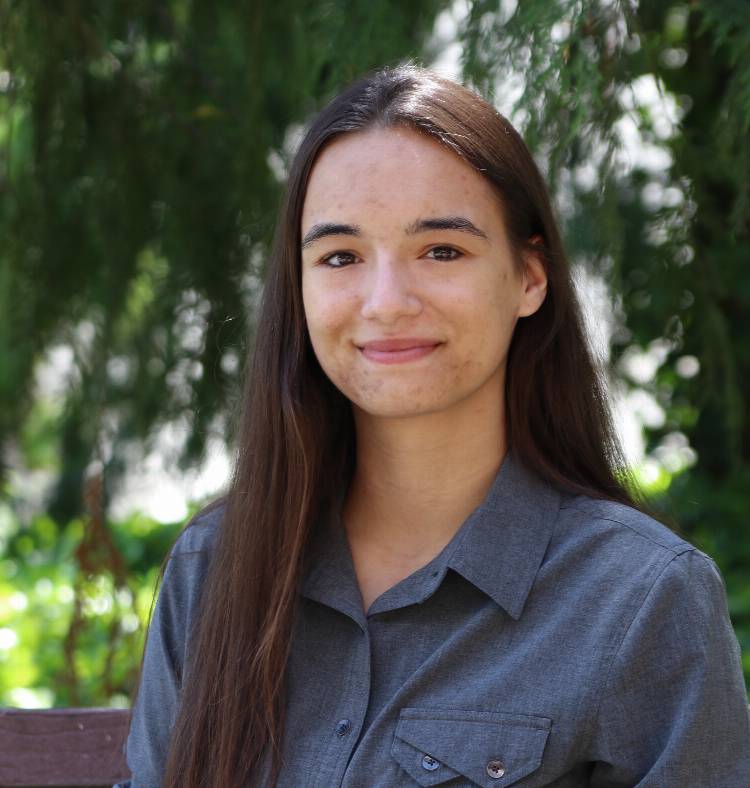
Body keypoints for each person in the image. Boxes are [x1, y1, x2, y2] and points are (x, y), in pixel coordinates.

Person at [121, 64, 750, 787]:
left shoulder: (641, 601)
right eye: (341, 256)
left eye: (441, 250)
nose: (386, 302)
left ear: (529, 277)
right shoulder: (213, 569)